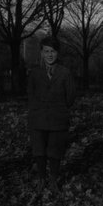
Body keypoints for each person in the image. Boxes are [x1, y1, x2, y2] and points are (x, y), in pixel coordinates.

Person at [28, 36, 76, 195]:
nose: (50, 55)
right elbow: (30, 94)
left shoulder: (65, 73)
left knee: (55, 151)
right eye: (46, 51)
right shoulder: (34, 72)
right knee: (39, 151)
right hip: (38, 117)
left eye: (53, 51)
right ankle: (42, 179)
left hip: (58, 118)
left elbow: (70, 97)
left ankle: (54, 179)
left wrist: (58, 108)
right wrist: (38, 110)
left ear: (58, 53)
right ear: (41, 53)